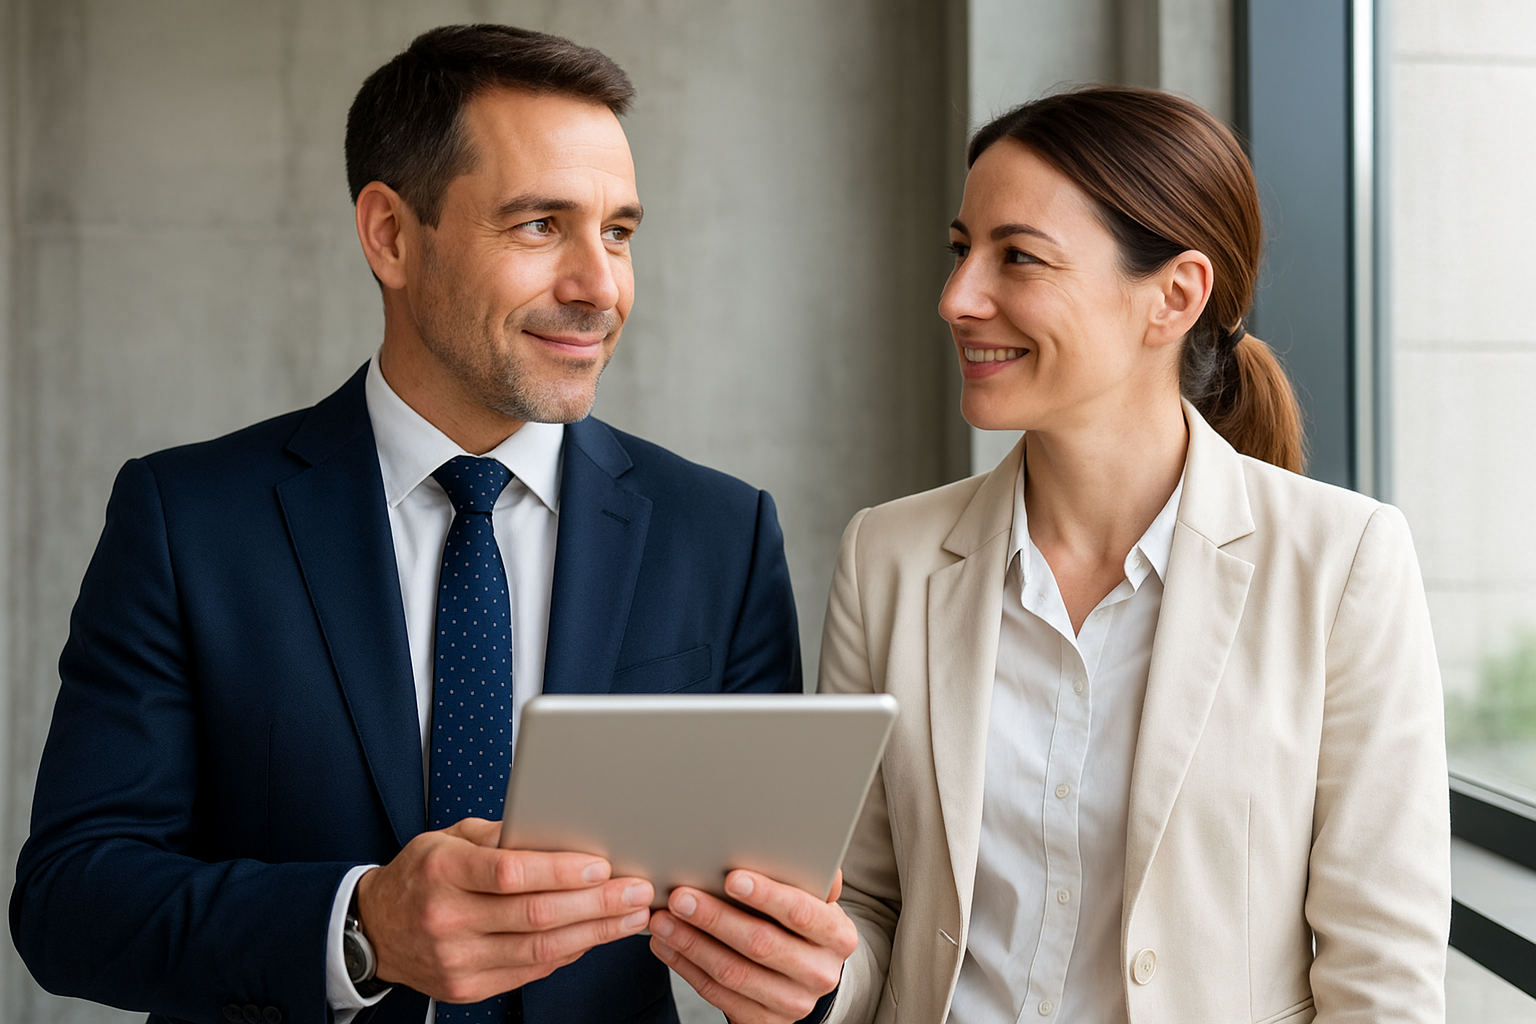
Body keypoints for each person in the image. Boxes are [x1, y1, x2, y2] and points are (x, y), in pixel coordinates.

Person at [11, 24, 851, 1024]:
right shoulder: (186, 519)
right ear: (391, 235)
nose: (599, 287)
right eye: (542, 225)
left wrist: (799, 976)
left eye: (619, 231)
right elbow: (72, 899)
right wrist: (358, 927)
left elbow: (772, 918)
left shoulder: (722, 535)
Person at [817, 86, 1450, 1024]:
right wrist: (813, 975)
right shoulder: (889, 558)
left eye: (1017, 257)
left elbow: (1382, 975)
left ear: (1175, 297)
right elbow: (868, 904)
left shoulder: (1344, 561)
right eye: (962, 251)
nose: (958, 298)